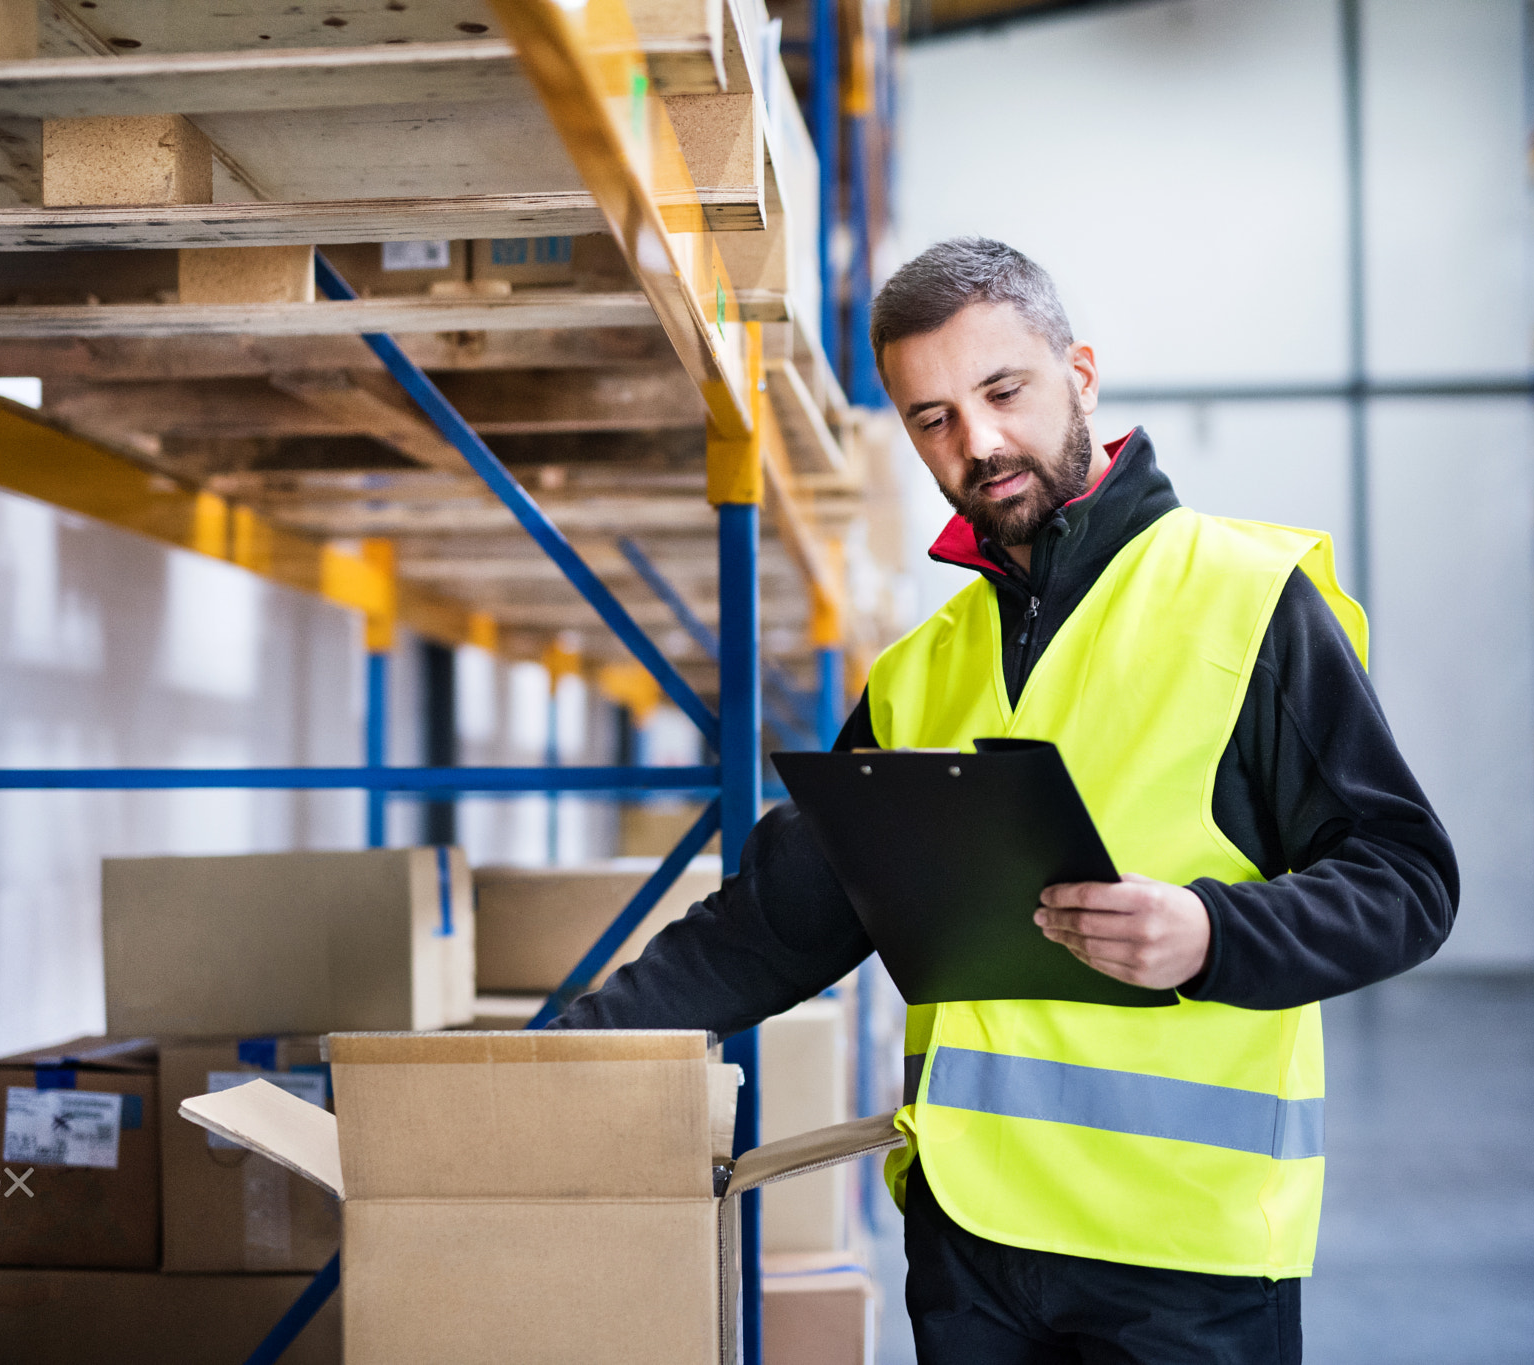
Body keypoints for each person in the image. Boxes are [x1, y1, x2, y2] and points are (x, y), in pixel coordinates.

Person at [554, 237, 1458, 1364]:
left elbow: (1407, 880)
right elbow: (776, 924)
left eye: (1001, 391)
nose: (975, 442)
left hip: (1178, 1258)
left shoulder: (1244, 603)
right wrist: (541, 1060)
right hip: (969, 1246)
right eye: (930, 418)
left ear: (1077, 372)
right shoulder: (919, 672)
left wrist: (1212, 933)